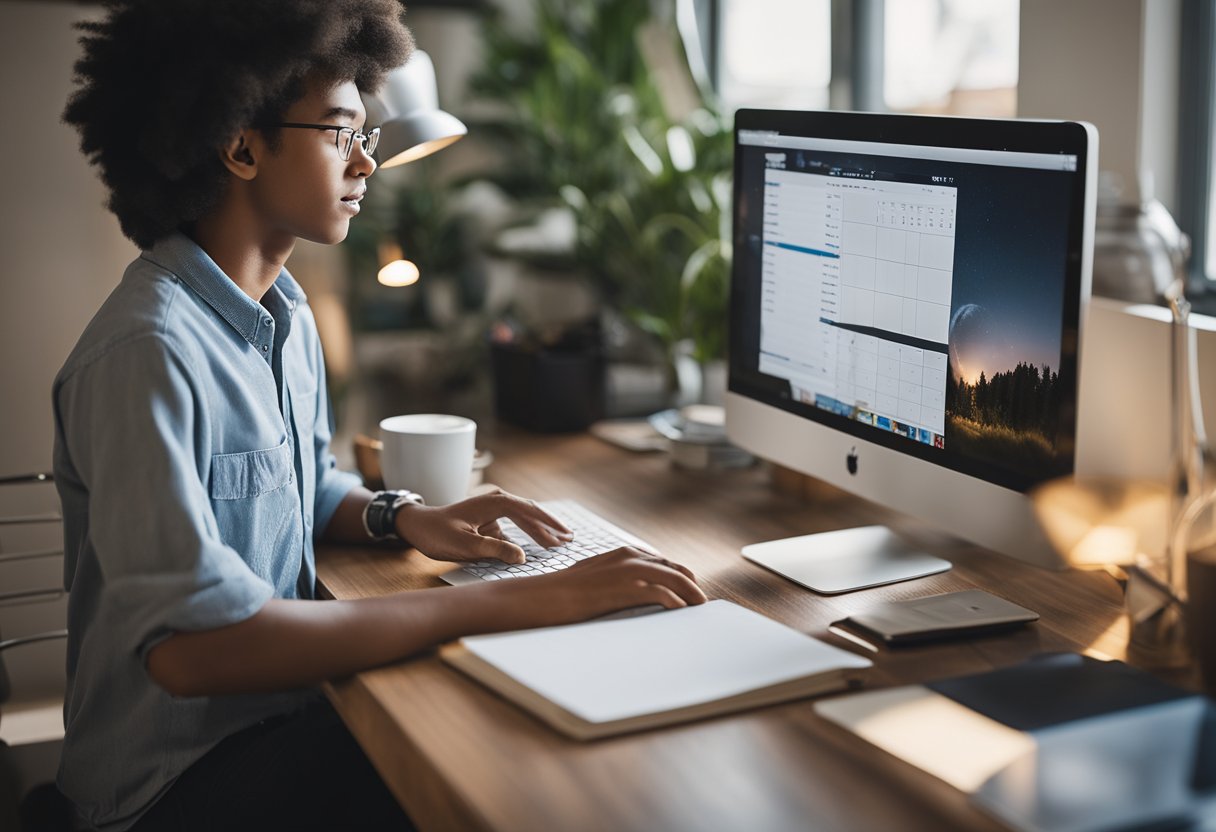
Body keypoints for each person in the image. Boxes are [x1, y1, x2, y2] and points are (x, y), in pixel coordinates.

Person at [54, 2, 706, 829]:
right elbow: (193, 651)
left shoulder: (280, 313)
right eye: (339, 132)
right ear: (240, 143)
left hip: (271, 724)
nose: (368, 161)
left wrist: (406, 516)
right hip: (171, 789)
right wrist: (513, 601)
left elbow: (298, 489)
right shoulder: (147, 353)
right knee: (497, 759)